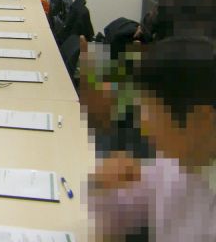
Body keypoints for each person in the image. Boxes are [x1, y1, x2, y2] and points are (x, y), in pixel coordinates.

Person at [89, 36, 216, 241]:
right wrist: (102, 184)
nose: (143, 124)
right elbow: (119, 219)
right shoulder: (175, 163)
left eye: (152, 111)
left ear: (202, 118)